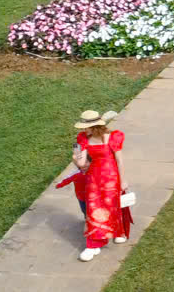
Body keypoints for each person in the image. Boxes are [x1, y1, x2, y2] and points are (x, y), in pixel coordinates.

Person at [69, 110, 132, 261]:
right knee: (94, 209)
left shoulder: (113, 137)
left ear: (95, 126)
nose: (84, 130)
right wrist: (75, 158)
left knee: (113, 206)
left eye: (86, 127)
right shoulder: (84, 139)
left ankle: (118, 232)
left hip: (111, 178)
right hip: (94, 178)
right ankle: (93, 244)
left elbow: (119, 161)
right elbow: (82, 163)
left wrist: (123, 180)